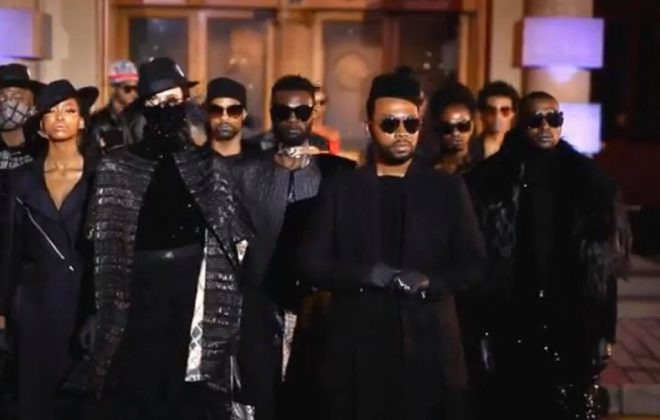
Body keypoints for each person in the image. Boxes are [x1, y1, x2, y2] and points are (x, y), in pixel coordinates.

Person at [297, 70, 487, 420]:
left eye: (410, 124)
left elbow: (473, 265)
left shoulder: (446, 189)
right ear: (369, 127)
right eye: (390, 123)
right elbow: (311, 262)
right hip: (359, 353)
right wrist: (366, 274)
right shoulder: (343, 188)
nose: (401, 132)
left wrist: (431, 282)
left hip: (429, 349)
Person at [85, 57, 253, 420]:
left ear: (187, 103)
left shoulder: (208, 165)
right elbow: (101, 248)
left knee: (186, 392)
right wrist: (92, 312)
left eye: (173, 100)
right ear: (143, 107)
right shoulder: (116, 166)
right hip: (137, 291)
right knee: (139, 385)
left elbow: (234, 240)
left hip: (192, 290)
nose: (166, 110)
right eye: (156, 102)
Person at [465, 91, 631, 420]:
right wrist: (479, 328)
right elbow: (477, 263)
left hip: (571, 316)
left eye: (553, 119)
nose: (545, 127)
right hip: (511, 315)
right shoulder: (488, 181)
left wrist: (606, 330)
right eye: (535, 120)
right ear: (520, 123)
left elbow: (603, 269)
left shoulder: (589, 182)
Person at [233, 75, 355, 420]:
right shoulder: (244, 172)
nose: (292, 119)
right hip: (258, 305)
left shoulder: (336, 174)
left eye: (301, 111)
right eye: (283, 111)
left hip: (317, 307)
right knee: (260, 398)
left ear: (314, 113)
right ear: (271, 112)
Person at [0, 79, 99, 420]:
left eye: (69, 110)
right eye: (51, 111)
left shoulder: (101, 174)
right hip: (33, 307)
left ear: (81, 120)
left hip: (84, 303)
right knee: (33, 401)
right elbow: (8, 250)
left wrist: (100, 310)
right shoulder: (19, 180)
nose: (60, 118)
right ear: (40, 124)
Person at [0, 63, 44, 172]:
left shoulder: (45, 150)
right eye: (2, 98)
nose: (8, 103)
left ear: (33, 104)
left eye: (18, 98)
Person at [89, 60, 139, 153]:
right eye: (128, 89)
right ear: (114, 88)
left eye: (136, 88)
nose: (134, 94)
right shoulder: (97, 121)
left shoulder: (141, 117)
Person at [205, 77, 260, 161]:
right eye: (216, 110)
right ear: (208, 113)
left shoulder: (261, 163)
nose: (224, 117)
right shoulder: (190, 163)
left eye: (233, 110)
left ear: (244, 114)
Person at [428, 82, 478, 174]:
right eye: (447, 128)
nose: (455, 133)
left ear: (472, 125)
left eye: (463, 126)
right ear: (438, 128)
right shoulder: (427, 169)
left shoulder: (483, 166)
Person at [472, 80, 519, 161]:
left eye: (504, 110)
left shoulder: (521, 149)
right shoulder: (470, 149)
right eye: (491, 110)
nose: (497, 116)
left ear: (513, 113)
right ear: (482, 113)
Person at [311, 85, 341, 155]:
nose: (317, 107)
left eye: (322, 103)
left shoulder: (332, 134)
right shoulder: (300, 131)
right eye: (313, 103)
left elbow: (334, 158)